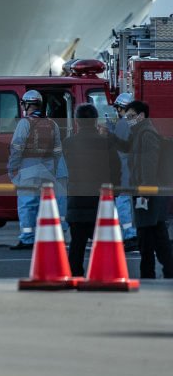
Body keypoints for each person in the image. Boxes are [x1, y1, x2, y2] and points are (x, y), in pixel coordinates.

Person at [110, 100, 173, 278]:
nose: (127, 120)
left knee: (146, 234)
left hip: (147, 193)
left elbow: (149, 165)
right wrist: (111, 136)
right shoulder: (138, 133)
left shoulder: (147, 134)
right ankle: (167, 269)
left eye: (130, 116)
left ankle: (149, 272)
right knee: (157, 233)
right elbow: (127, 148)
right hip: (147, 192)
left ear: (141, 116)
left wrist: (144, 193)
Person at [61, 104, 119, 276]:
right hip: (101, 200)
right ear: (95, 121)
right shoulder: (107, 143)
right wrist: (115, 192)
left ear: (77, 121)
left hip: (77, 198)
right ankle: (104, 273)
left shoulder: (68, 143)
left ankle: (75, 275)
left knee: (77, 243)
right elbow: (116, 169)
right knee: (103, 242)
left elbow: (63, 170)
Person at [8, 90, 64, 250]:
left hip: (28, 170)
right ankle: (44, 238)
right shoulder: (52, 124)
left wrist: (12, 169)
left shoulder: (24, 123)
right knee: (44, 206)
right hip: (47, 170)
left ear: (27, 105)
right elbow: (58, 151)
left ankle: (27, 238)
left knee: (27, 205)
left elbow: (16, 148)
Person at [107, 93, 139, 251]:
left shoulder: (123, 123)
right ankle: (134, 233)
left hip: (123, 169)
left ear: (122, 107)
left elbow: (117, 147)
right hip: (135, 169)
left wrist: (109, 132)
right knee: (132, 203)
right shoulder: (137, 122)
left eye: (118, 108)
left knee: (123, 203)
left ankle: (129, 235)